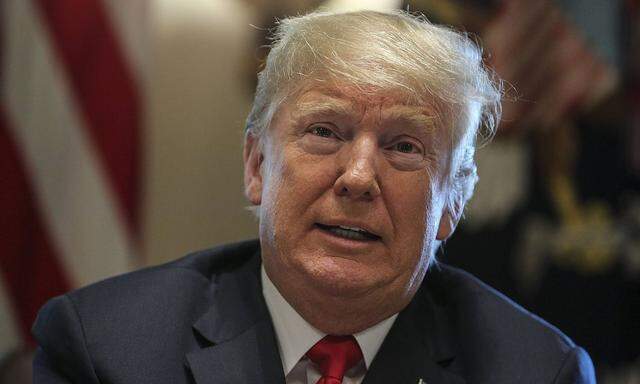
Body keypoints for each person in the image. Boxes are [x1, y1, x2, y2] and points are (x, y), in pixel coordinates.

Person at [32, 10, 596, 384]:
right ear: (256, 167)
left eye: (404, 146)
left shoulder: (537, 372)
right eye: (324, 132)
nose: (357, 177)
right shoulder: (106, 348)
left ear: (453, 203)